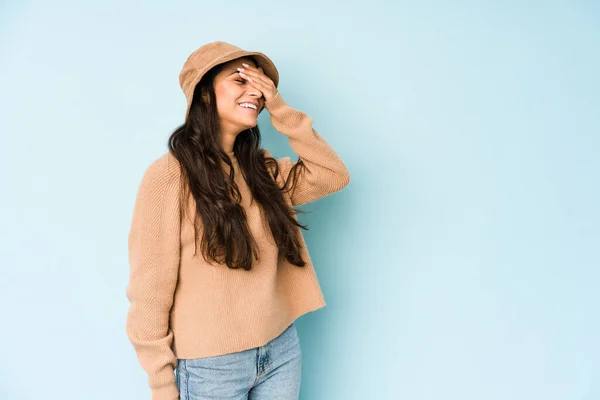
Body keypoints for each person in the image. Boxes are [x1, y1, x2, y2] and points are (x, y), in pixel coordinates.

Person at [125, 41, 350, 400]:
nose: (256, 93)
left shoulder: (263, 170)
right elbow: (150, 287)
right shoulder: (169, 176)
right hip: (211, 364)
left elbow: (331, 175)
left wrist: (279, 106)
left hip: (280, 350)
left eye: (259, 84)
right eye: (240, 80)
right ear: (204, 95)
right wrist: (161, 383)